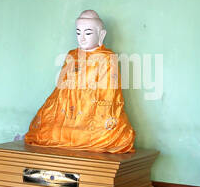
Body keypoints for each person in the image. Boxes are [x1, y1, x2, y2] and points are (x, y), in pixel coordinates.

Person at [24, 9, 136, 153]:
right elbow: (61, 89)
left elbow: (108, 93)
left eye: (88, 33)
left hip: (94, 112)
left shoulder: (107, 58)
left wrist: (86, 105)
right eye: (78, 33)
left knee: (106, 135)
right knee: (46, 130)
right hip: (68, 112)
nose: (81, 38)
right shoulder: (72, 54)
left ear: (101, 35)